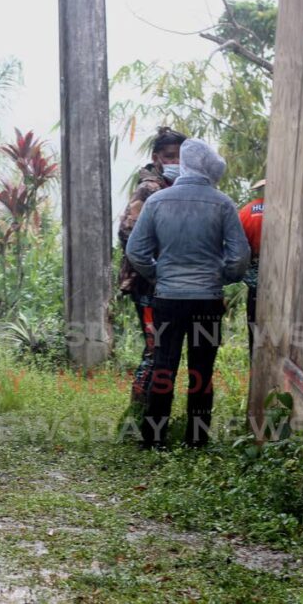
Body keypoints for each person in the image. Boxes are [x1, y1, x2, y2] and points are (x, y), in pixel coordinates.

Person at [126, 139, 250, 448]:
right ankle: (196, 438)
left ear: (182, 165)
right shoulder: (223, 204)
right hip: (206, 301)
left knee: (164, 364)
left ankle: (154, 438)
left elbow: (136, 251)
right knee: (202, 369)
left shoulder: (157, 202)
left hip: (167, 300)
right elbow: (240, 257)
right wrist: (218, 277)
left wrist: (160, 274)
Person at [117, 127, 187, 406]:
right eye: (170, 157)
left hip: (168, 283)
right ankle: (140, 407)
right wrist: (156, 266)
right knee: (154, 347)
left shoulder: (176, 188)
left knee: (162, 346)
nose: (176, 163)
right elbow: (127, 234)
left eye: (181, 157)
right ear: (157, 158)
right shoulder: (149, 189)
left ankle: (146, 407)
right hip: (147, 281)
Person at [238, 179, 265, 357]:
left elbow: (238, 248)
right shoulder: (290, 210)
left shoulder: (246, 211)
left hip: (256, 282)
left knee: (255, 330)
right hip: (287, 283)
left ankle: (256, 371)